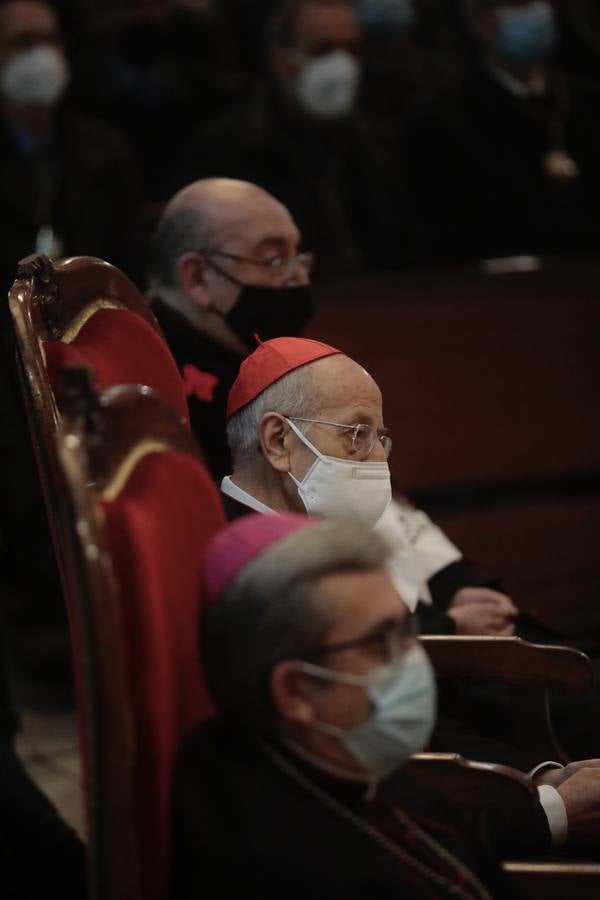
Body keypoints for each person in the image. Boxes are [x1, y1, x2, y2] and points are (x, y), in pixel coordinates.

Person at [171, 512, 517, 898]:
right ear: (295, 691)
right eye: (380, 642)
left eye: (407, 629)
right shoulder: (281, 865)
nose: (412, 658)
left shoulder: (352, 764)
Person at [165, 0, 415, 277]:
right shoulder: (226, 150)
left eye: (352, 50)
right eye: (322, 49)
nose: (343, 65)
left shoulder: (383, 144)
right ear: (279, 58)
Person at [404, 0, 600, 264]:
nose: (531, 14)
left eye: (533, 3)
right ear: (477, 20)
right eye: (514, 5)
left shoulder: (585, 101)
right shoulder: (444, 121)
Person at [147, 177, 314, 479]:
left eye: (298, 257)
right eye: (274, 260)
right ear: (197, 278)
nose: (299, 278)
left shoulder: (260, 364)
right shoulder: (152, 384)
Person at [0, 0, 141, 292]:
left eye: (50, 39)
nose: (41, 55)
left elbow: (126, 265)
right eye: (23, 42)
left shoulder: (106, 152)